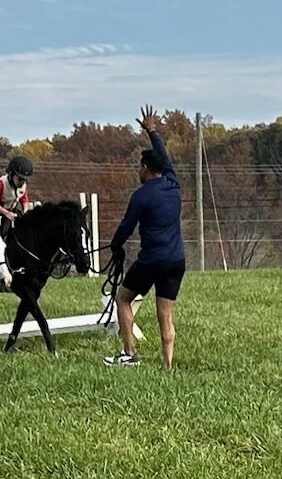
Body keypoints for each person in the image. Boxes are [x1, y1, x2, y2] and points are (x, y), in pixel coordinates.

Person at [103, 105, 186, 369]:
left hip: (152, 260)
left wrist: (115, 247)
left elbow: (126, 227)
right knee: (165, 314)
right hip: (177, 260)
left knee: (123, 298)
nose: (138, 171)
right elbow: (165, 158)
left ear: (146, 168)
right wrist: (152, 131)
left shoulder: (141, 195)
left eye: (140, 167)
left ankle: (128, 353)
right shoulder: (173, 183)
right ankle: (167, 364)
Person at [0, 155, 32, 225]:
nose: (22, 183)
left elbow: (24, 200)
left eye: (25, 180)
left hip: (9, 209)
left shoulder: (23, 186)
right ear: (11, 174)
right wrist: (7, 213)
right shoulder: (0, 184)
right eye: (20, 179)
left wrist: (26, 212)